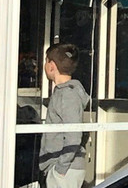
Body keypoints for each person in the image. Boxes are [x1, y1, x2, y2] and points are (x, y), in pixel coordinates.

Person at [39, 43, 90, 188]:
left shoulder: (68, 94)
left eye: (46, 61)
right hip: (63, 167)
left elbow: (74, 134)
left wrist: (61, 167)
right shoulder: (64, 92)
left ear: (51, 66)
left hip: (65, 169)